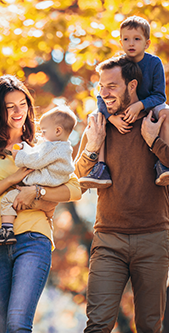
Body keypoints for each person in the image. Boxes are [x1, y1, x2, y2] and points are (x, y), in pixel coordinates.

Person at [0, 75, 81, 332]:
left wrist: (37, 192)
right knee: (3, 328)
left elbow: (74, 188)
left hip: (32, 239)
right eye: (10, 107)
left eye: (23, 104)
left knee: (17, 324)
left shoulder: (44, 145)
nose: (19, 112)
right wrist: (13, 179)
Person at [75, 56, 169, 333]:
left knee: (150, 326)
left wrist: (154, 141)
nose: (104, 93)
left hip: (154, 238)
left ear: (132, 86)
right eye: (102, 86)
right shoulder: (98, 124)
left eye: (112, 86)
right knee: (97, 325)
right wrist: (93, 147)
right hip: (108, 240)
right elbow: (74, 182)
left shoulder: (160, 120)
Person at [80, 15, 169, 188]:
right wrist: (110, 117)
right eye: (126, 39)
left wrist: (140, 105)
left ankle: (163, 162)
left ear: (147, 43)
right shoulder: (119, 64)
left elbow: (160, 95)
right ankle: (100, 167)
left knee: (166, 112)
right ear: (120, 43)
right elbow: (101, 95)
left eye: (137, 39)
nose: (131, 43)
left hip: (149, 105)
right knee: (98, 118)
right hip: (122, 108)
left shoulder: (154, 63)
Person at [0, 106, 77, 246]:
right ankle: (47, 213)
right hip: (53, 184)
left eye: (44, 131)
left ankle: (6, 231)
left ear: (58, 130)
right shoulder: (64, 148)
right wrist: (26, 148)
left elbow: (35, 160)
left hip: (44, 182)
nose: (42, 135)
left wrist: (19, 156)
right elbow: (38, 153)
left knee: (7, 200)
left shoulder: (50, 147)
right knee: (44, 206)